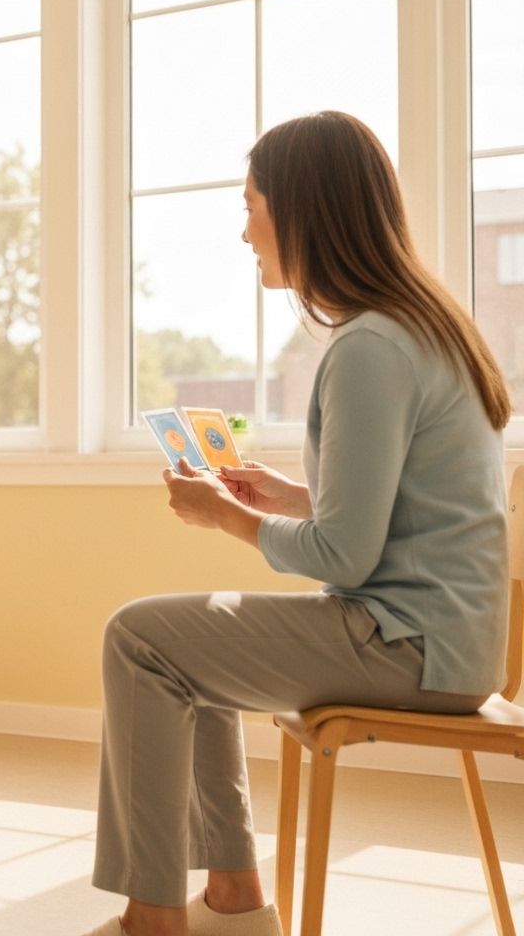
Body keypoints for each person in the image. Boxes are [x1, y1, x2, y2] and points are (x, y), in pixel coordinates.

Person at [84, 111, 511, 936]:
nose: (244, 230)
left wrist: (226, 519)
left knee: (140, 638)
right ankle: (236, 896)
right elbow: (413, 514)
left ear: (303, 210)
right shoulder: (423, 328)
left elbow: (347, 556)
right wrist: (289, 497)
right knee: (185, 642)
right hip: (454, 641)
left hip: (407, 644)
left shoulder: (369, 349)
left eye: (252, 205)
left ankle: (154, 916)